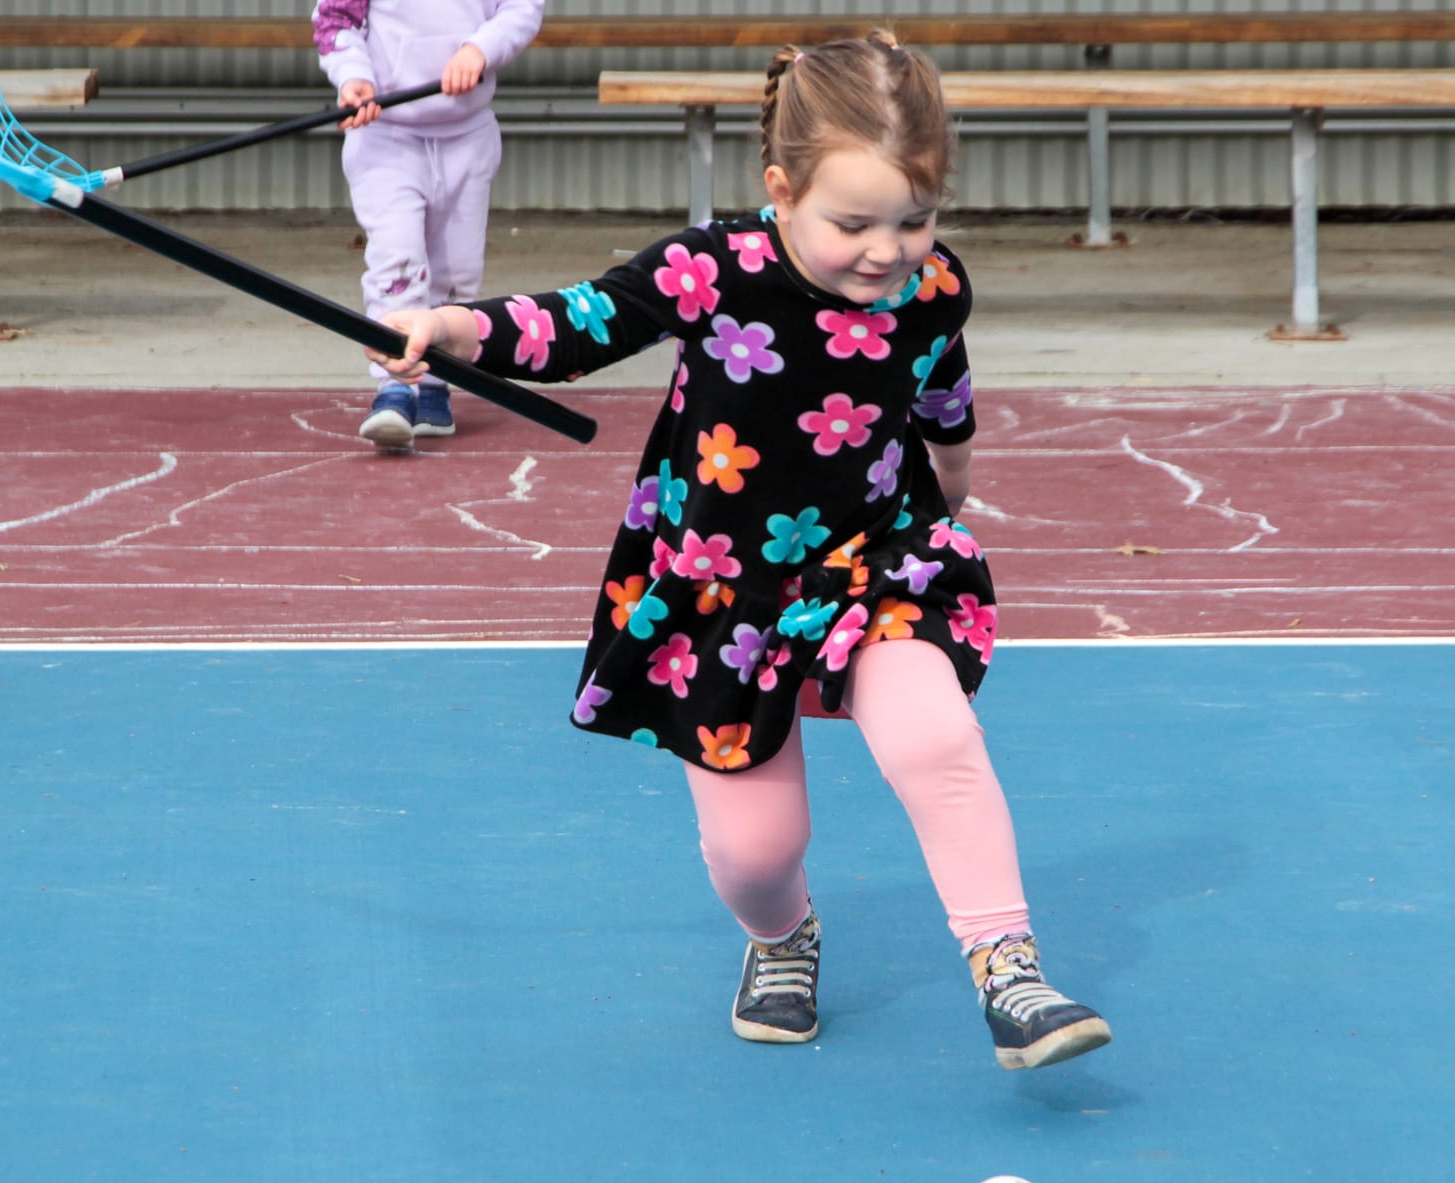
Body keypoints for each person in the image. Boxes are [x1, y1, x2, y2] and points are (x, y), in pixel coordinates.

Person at [365, 32, 1111, 1072]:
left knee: (934, 738)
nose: (886, 250)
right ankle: (781, 936)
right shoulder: (711, 271)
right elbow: (578, 323)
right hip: (722, 586)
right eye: (851, 223)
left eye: (914, 218)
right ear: (779, 188)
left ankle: (1008, 967)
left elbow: (942, 391)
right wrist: (454, 326)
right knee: (754, 850)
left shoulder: (931, 287)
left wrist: (951, 483)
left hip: (876, 558)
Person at [313, 0, 545, 450]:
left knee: (457, 269)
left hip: (467, 134)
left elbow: (522, 8)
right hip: (386, 137)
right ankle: (395, 385)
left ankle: (438, 377)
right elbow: (336, 20)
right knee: (396, 261)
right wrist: (353, 76)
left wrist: (479, 49)